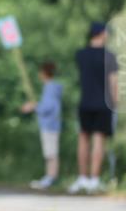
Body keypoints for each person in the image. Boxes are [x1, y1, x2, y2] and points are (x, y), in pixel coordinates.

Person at [68, 22, 119, 194]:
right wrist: (116, 102)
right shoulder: (110, 56)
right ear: (101, 33)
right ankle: (94, 180)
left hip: (85, 103)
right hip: (103, 104)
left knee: (83, 139)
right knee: (99, 141)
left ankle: (82, 178)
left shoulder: (80, 55)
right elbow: (114, 84)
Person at [21, 61, 62, 190]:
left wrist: (33, 106)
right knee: (50, 152)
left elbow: (48, 107)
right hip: (52, 124)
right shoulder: (52, 88)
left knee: (51, 153)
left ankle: (51, 177)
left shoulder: (49, 88)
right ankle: (49, 177)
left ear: (44, 73)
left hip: (49, 125)